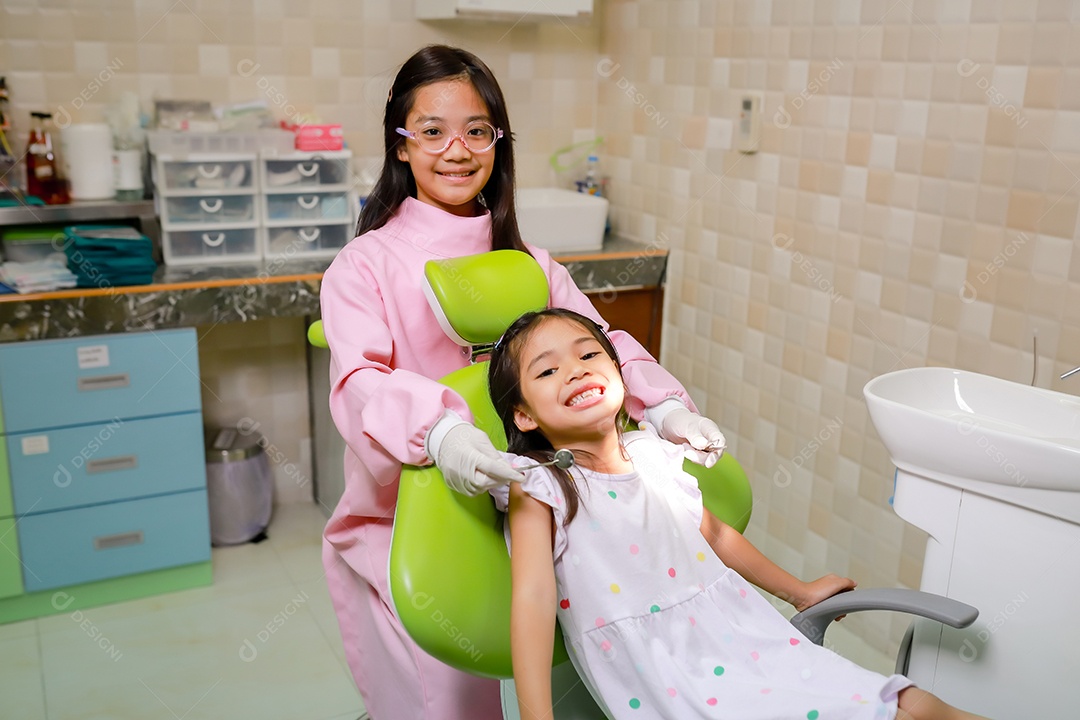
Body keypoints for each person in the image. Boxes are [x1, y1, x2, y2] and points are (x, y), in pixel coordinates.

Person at [319, 45, 726, 720]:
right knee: (447, 702)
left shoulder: (531, 265)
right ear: (400, 144)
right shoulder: (365, 265)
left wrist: (664, 409)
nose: (457, 150)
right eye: (432, 131)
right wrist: (442, 433)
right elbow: (361, 381)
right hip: (417, 518)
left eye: (477, 130)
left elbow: (600, 347)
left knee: (615, 662)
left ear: (499, 141)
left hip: (548, 506)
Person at [487, 308, 990, 720]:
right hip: (673, 673)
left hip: (746, 635)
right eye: (547, 371)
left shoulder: (653, 456)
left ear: (621, 374)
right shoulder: (541, 486)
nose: (576, 370)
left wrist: (800, 591)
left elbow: (716, 535)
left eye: (589, 354)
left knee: (914, 704)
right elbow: (533, 597)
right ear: (524, 415)